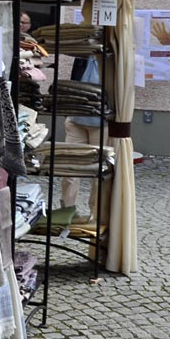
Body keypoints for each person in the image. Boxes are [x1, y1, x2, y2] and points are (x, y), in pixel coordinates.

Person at [61, 56, 106, 220]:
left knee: (99, 170)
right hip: (76, 120)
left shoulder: (110, 59)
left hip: (101, 123)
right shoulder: (82, 55)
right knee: (69, 168)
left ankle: (96, 213)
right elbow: (74, 83)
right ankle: (67, 212)